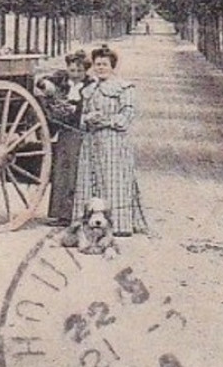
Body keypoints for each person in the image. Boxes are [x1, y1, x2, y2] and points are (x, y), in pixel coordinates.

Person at [72, 45, 148, 237]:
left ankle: (119, 224)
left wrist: (105, 120)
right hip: (91, 142)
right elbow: (82, 118)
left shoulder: (124, 88)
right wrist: (88, 119)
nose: (100, 68)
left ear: (112, 66)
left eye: (104, 64)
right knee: (90, 180)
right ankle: (87, 223)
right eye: (97, 65)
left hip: (113, 142)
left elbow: (127, 116)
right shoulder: (88, 90)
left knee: (114, 180)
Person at [42, 51, 91, 227]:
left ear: (86, 70)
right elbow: (44, 81)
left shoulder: (90, 86)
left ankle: (73, 214)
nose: (76, 74)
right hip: (64, 131)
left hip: (79, 131)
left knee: (74, 172)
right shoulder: (62, 80)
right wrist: (46, 84)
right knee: (61, 169)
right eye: (72, 70)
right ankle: (59, 214)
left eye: (80, 70)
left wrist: (75, 111)